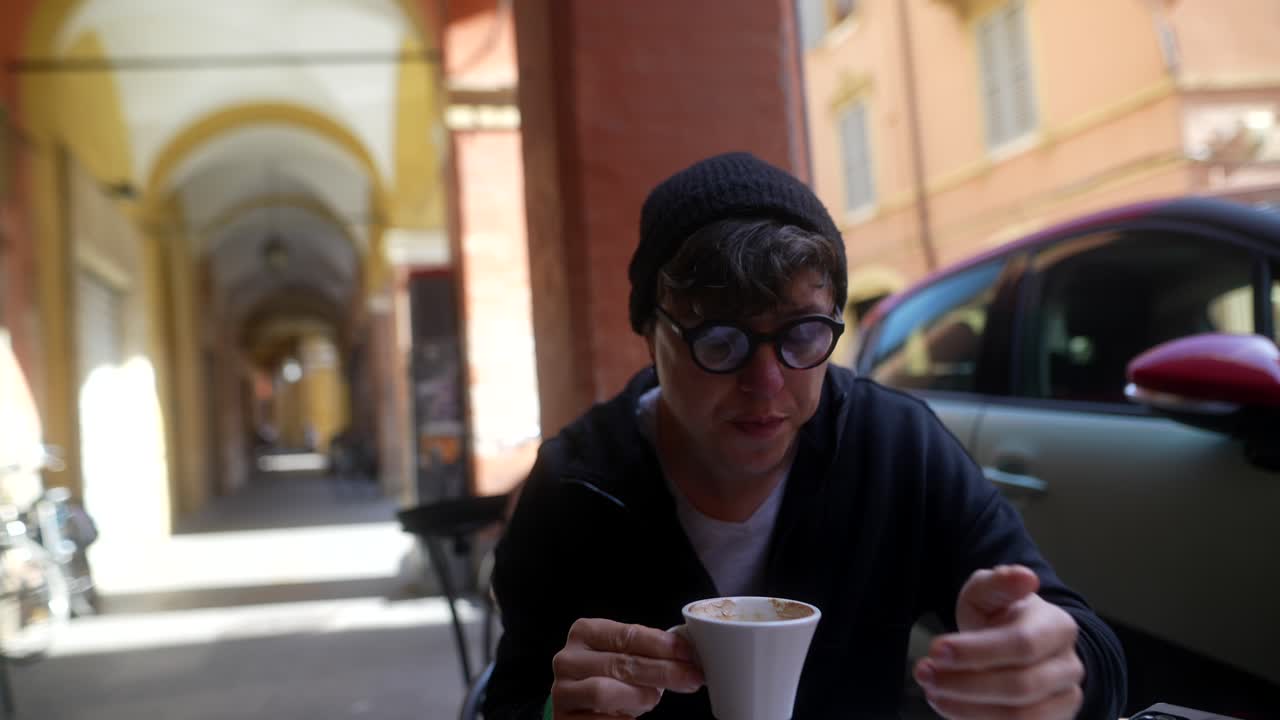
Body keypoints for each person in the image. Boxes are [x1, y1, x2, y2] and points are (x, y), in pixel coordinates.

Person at [484, 152, 1126, 719]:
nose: (766, 383)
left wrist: (1060, 673)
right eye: (719, 340)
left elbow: (1089, 647)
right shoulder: (577, 484)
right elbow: (510, 701)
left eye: (803, 334)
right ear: (650, 336)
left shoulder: (893, 447)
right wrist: (551, 714)